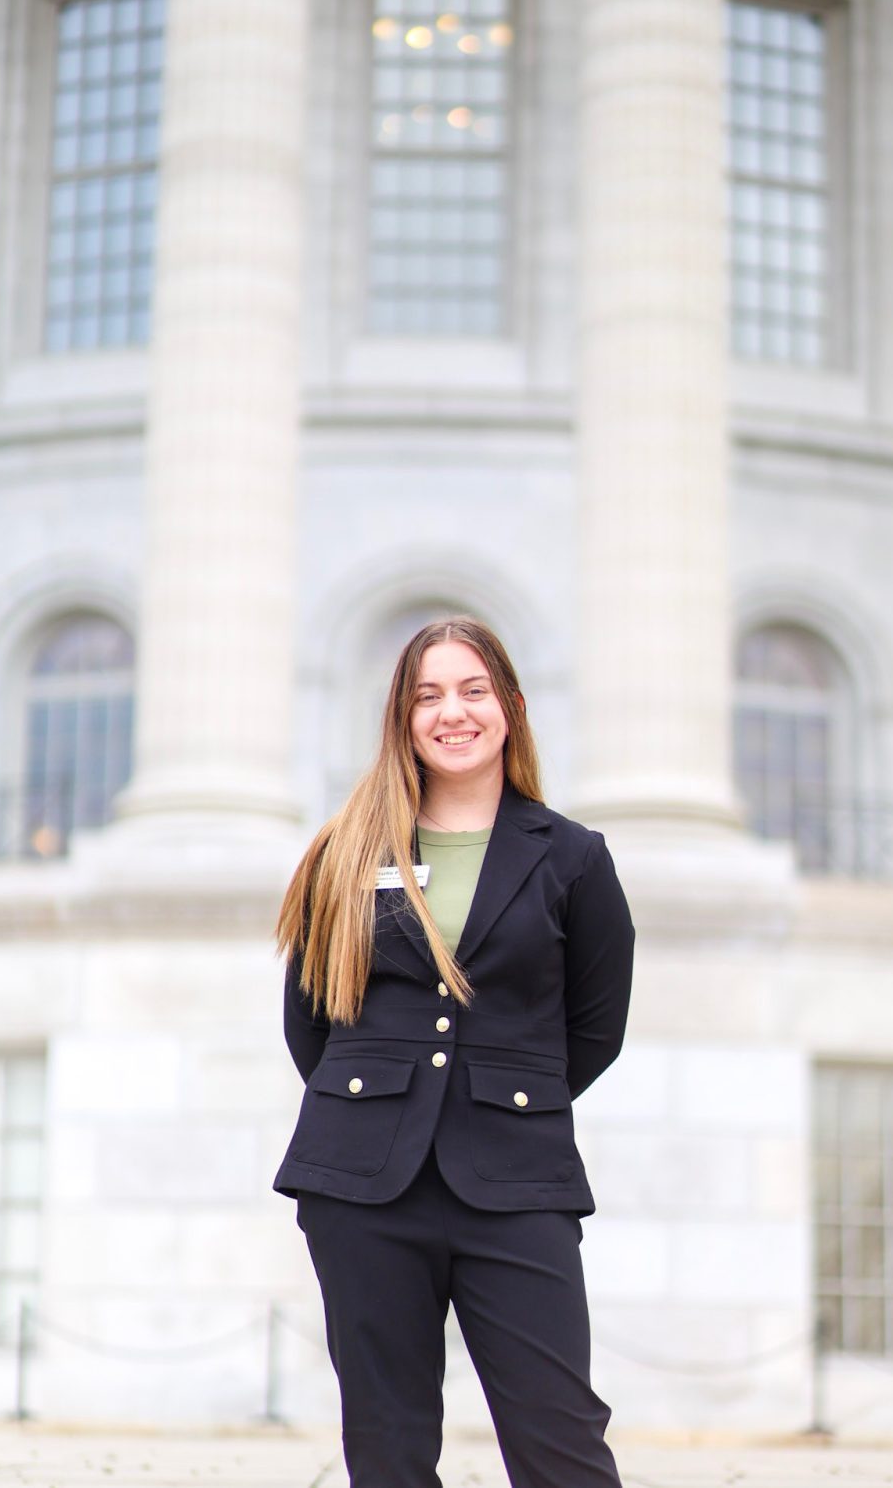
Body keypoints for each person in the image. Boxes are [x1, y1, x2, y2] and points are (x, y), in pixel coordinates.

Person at [274, 615, 635, 1488]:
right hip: (360, 1185)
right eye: (428, 696)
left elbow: (595, 1029)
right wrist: (380, 1106)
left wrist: (500, 1098)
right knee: (388, 1449)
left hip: (517, 1181)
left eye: (473, 690)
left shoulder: (574, 859)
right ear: (403, 718)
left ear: (511, 706)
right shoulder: (345, 852)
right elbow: (309, 1022)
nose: (453, 712)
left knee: (561, 1445)